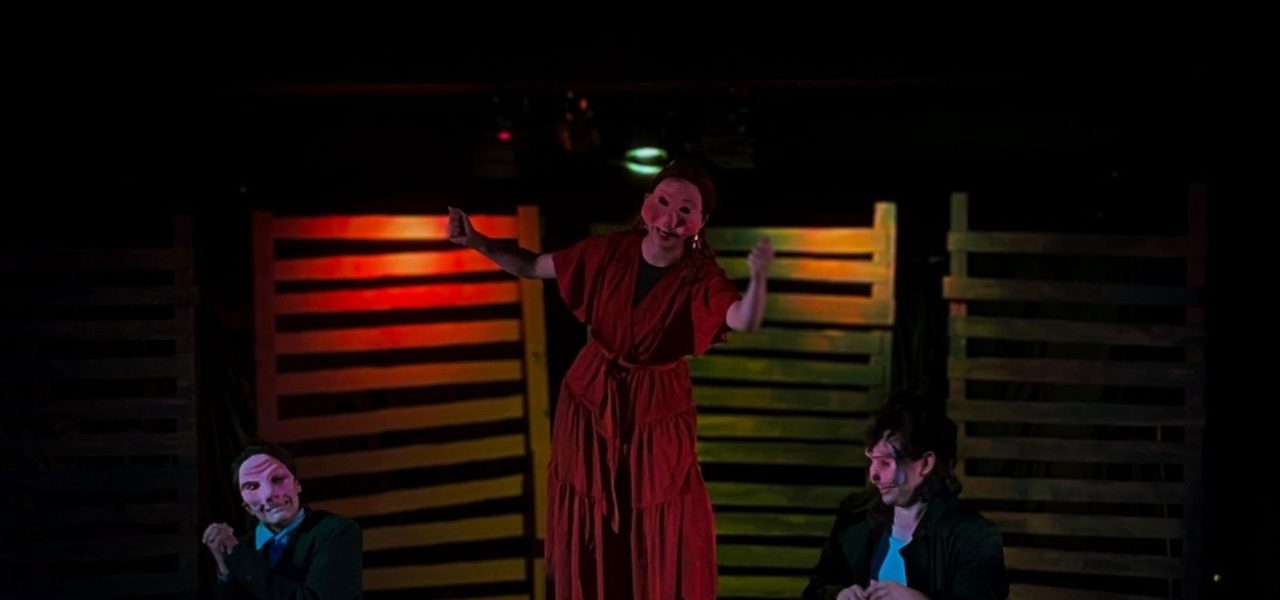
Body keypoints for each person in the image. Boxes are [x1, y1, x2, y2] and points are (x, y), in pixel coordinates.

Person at [448, 159, 774, 600]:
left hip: (657, 403)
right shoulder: (611, 251)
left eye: (685, 211)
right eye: (663, 203)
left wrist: (758, 278)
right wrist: (476, 241)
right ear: (646, 203)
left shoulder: (701, 277)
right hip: (591, 394)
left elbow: (742, 318)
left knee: (659, 504)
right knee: (591, 504)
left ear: (701, 222)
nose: (669, 220)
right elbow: (532, 265)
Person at [803, 391, 1008, 600]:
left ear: (925, 464)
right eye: (872, 460)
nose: (874, 475)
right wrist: (838, 596)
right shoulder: (855, 515)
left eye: (885, 463)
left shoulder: (973, 535)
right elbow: (815, 591)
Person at [202, 442, 363, 599]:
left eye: (277, 479)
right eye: (252, 487)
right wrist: (225, 569)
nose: (269, 494)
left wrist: (239, 558)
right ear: (247, 507)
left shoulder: (335, 532)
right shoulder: (241, 547)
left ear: (297, 485)